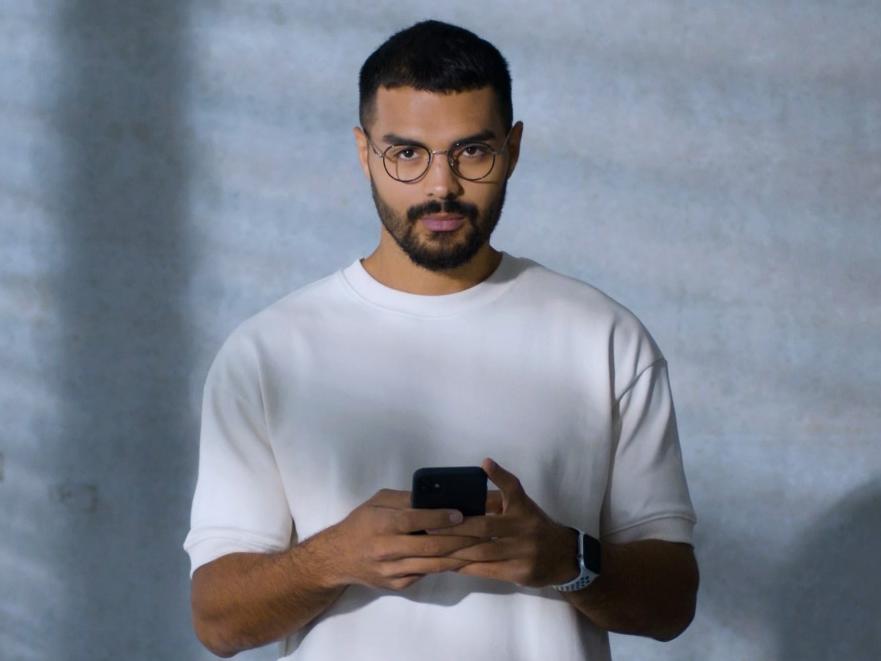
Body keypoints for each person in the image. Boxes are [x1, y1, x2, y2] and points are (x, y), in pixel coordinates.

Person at [184, 19, 699, 661]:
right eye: (406, 154)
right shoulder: (267, 354)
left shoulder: (606, 339)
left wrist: (569, 558)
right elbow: (217, 621)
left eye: (471, 152)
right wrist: (332, 557)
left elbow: (672, 604)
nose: (440, 186)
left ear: (512, 148)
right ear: (364, 152)